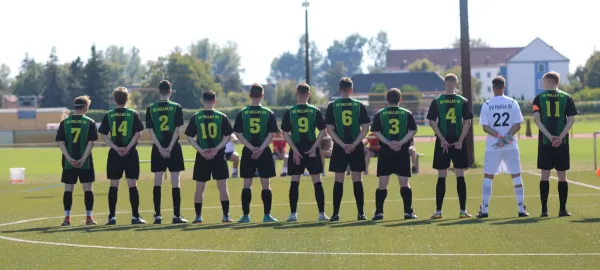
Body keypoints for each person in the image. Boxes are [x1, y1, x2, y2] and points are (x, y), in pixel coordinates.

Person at [476, 77, 528, 218]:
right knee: (516, 176)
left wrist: (499, 136)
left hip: (493, 146)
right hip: (510, 145)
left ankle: (485, 209)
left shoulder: (487, 104)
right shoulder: (512, 103)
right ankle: (521, 208)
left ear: (493, 88)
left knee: (488, 177)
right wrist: (507, 137)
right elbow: (517, 125)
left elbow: (485, 127)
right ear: (504, 86)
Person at [427, 73, 473, 219]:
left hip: (443, 142)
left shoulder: (437, 101)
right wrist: (460, 140)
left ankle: (439, 211)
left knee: (442, 175)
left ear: (445, 84)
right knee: (460, 174)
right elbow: (468, 122)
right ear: (457, 84)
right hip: (458, 141)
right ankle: (463, 210)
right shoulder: (463, 101)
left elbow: (432, 122)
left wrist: (441, 138)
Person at [280, 83, 329, 222]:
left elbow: (285, 132)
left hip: (297, 149)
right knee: (317, 182)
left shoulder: (290, 111)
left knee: (294, 182)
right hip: (311, 149)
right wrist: (314, 147)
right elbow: (322, 130)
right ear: (309, 94)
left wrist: (295, 150)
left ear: (296, 93)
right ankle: (321, 214)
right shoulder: (315, 110)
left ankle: (293, 214)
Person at [325, 77, 371, 221]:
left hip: (340, 147)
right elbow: (365, 128)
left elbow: (329, 129)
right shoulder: (359, 105)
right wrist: (354, 144)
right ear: (351, 89)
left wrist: (341, 144)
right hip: (355, 146)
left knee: (339, 180)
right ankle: (361, 213)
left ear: (340, 89)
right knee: (357, 180)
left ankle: (335, 214)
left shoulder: (332, 105)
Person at [185, 91, 234, 224]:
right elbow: (228, 136)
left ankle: (198, 217)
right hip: (218, 156)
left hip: (202, 156)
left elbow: (189, 136)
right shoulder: (222, 116)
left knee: (199, 187)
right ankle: (225, 216)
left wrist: (201, 150)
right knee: (223, 187)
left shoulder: (196, 117)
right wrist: (216, 149)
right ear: (215, 101)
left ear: (202, 101)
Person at [532, 71, 577, 217]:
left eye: (543, 81)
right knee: (562, 176)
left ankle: (544, 210)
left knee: (544, 175)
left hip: (546, 142)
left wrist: (550, 137)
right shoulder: (567, 98)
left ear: (550, 82)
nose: (542, 84)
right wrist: (560, 137)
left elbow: (537, 121)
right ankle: (562, 209)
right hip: (562, 143)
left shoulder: (539, 98)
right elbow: (571, 120)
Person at [99, 87, 146, 225]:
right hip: (130, 153)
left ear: (114, 99)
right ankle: (135, 216)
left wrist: (116, 148)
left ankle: (112, 217)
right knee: (132, 184)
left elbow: (103, 134)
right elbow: (138, 133)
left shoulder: (109, 114)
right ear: (127, 99)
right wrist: (128, 147)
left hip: (115, 154)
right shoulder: (133, 114)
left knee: (114, 185)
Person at [234, 83, 280, 223]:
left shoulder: (242, 113)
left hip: (248, 152)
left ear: (249, 96)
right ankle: (267, 216)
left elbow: (239, 134)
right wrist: (260, 148)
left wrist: (251, 148)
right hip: (264, 151)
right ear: (262, 95)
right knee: (266, 184)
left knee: (246, 184)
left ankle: (245, 216)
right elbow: (272, 133)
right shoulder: (268, 113)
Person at [371, 88, 418, 220]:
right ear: (400, 99)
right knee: (404, 182)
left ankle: (379, 212)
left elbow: (375, 131)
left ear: (387, 100)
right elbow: (413, 130)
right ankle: (408, 212)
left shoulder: (380, 114)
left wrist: (388, 142)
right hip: (402, 151)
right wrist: (400, 143)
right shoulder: (407, 113)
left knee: (382, 182)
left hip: (385, 151)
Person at [146, 80, 188, 224]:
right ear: (170, 91)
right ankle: (176, 215)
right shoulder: (176, 107)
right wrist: (169, 148)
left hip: (157, 147)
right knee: (175, 181)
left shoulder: (151, 108)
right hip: (173, 148)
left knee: (157, 181)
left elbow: (150, 130)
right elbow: (178, 129)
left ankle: (157, 215)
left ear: (159, 91)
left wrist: (160, 147)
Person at [56, 96, 99, 226]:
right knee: (88, 189)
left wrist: (69, 158)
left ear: (75, 107)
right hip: (85, 161)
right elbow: (91, 144)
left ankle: (67, 218)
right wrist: (82, 159)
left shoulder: (65, 122)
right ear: (85, 107)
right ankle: (89, 218)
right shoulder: (90, 122)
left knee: (68, 189)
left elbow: (61, 143)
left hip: (69, 162)